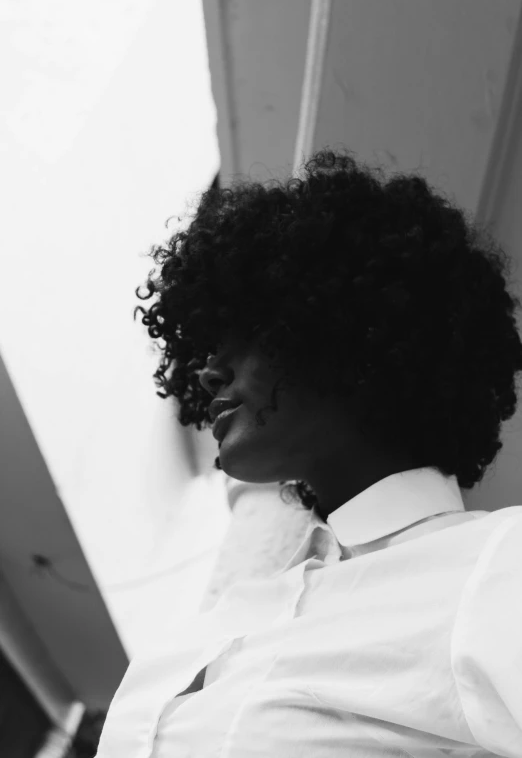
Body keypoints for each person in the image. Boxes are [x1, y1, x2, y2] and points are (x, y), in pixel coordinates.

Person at [95, 147, 522, 757]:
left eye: (246, 327)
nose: (207, 371)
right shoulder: (240, 610)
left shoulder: (496, 565)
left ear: (352, 329)